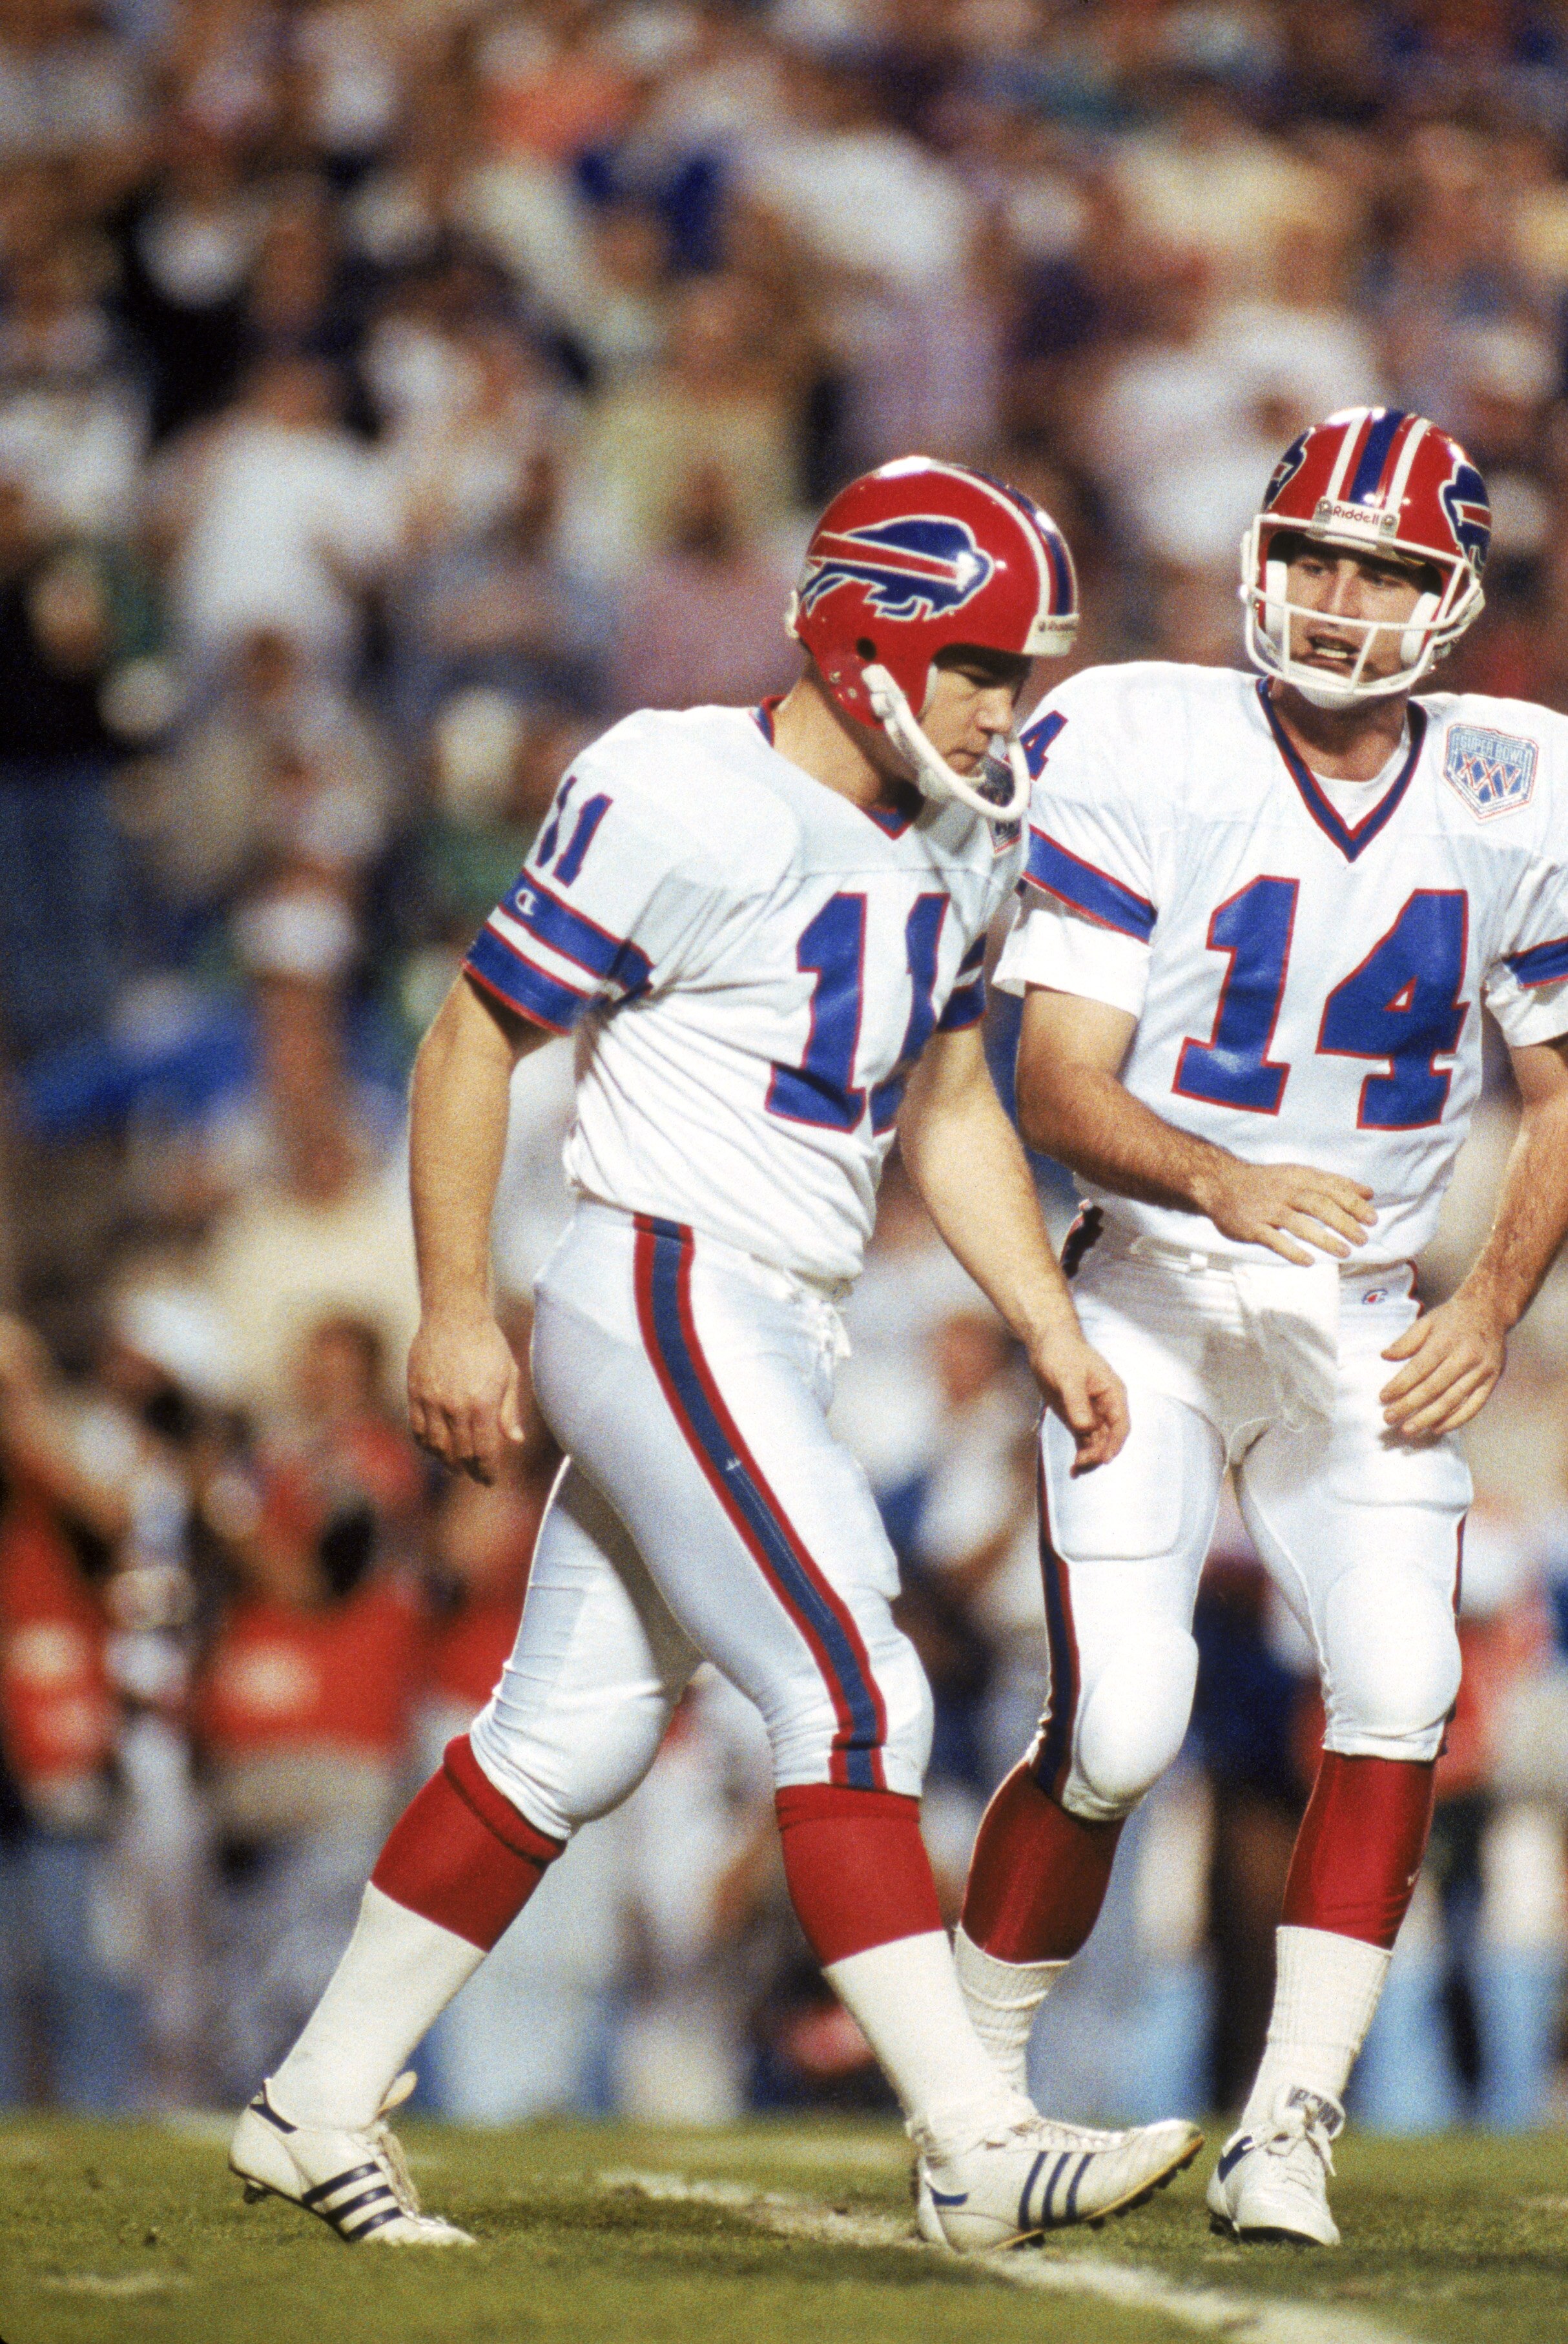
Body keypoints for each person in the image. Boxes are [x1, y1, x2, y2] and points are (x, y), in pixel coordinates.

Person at [227, 457, 1202, 2248]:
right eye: (981, 665)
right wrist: (452, 1301)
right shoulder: (671, 779)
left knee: (565, 1743)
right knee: (854, 1686)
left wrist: (1050, 1331)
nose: (1010, 707)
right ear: (861, 649)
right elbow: (470, 1035)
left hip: (781, 1316)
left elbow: (949, 1110)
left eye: (1022, 672)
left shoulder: (966, 839)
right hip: (666, 1279)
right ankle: (977, 2137)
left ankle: (309, 2102)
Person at [947, 407, 1568, 2246]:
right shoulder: (1140, 734)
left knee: (1399, 1688)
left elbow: (1560, 1087)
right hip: (1146, 1281)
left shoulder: (1518, 781)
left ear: (1447, 597)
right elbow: (1051, 1078)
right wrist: (1216, 1182)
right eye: (1308, 553)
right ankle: (968, 2102)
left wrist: (1489, 1298)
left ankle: (1286, 2125)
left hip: (1365, 1308)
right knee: (1123, 1723)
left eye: (1379, 568)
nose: (1334, 595)